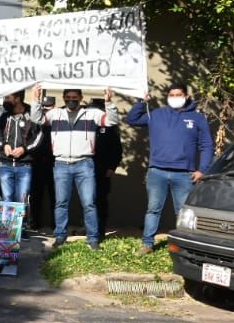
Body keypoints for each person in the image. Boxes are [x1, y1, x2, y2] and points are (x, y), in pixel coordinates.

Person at [125, 82, 214, 254]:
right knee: (153, 209)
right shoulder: (156, 114)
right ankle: (147, 244)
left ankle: (185, 247)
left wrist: (202, 169)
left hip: (184, 174)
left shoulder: (197, 118)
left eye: (178, 95)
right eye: (171, 95)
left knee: (183, 213)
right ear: (167, 97)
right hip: (157, 171)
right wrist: (141, 102)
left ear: (186, 96)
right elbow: (132, 119)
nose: (175, 98)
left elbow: (207, 145)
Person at [31, 85, 119, 250]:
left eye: (74, 97)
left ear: (80, 98)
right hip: (61, 164)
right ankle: (60, 236)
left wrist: (109, 102)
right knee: (61, 203)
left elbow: (112, 120)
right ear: (64, 98)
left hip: (84, 163)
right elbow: (37, 119)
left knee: (89, 203)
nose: (71, 100)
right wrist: (35, 100)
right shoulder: (56, 113)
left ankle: (92, 239)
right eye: (68, 98)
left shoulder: (92, 113)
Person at [0, 90, 42, 207]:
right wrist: (4, 145)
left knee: (23, 199)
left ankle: (21, 225)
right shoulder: (4, 115)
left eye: (8, 98)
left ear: (17, 98)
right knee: (7, 198)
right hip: (5, 164)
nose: (5, 101)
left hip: (25, 165)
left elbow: (38, 136)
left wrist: (25, 149)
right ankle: (7, 225)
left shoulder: (31, 114)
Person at [92, 100, 123, 236]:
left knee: (101, 200)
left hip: (103, 170)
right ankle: (89, 227)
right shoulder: (87, 125)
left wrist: (112, 167)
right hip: (86, 169)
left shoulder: (110, 128)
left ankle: (100, 229)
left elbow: (117, 150)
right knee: (88, 201)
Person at [27, 94, 57, 233]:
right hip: (37, 162)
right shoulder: (35, 122)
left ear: (54, 106)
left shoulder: (57, 120)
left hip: (54, 162)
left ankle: (56, 224)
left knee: (55, 195)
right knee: (35, 195)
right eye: (43, 107)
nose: (45, 109)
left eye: (48, 107)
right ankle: (34, 223)